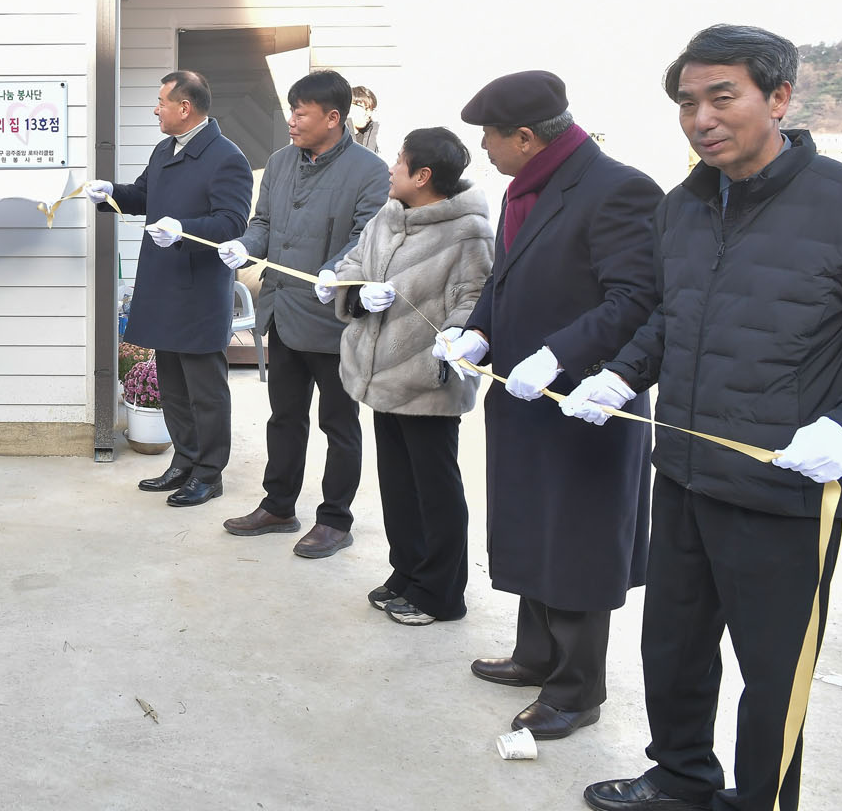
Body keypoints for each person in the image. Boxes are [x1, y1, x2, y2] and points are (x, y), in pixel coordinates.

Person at [565, 26, 842, 811]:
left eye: (722, 97)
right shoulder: (684, 207)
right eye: (687, 102)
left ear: (780, 97)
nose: (701, 118)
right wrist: (619, 375)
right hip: (686, 473)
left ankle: (762, 800)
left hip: (783, 491)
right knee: (673, 647)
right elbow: (673, 316)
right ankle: (679, 779)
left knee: (774, 672)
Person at [432, 69, 661, 739]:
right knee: (532, 528)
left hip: (585, 405)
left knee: (577, 544)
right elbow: (505, 278)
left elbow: (635, 298)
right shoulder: (525, 188)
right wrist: (478, 330)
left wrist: (559, 354)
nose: (484, 149)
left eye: (490, 136)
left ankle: (576, 689)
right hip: (524, 399)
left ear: (527, 137)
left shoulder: (618, 189)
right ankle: (535, 654)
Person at [214, 70, 389, 556]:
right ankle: (278, 506)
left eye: (300, 112)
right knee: (284, 418)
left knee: (339, 424)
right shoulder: (279, 162)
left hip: (334, 322)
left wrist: (337, 270)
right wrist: (244, 247)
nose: (291, 120)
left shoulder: (369, 171)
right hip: (283, 312)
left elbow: (366, 237)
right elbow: (263, 223)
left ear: (333, 118)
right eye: (292, 111)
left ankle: (335, 519)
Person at [330, 127, 492, 624]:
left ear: (422, 175)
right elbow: (353, 263)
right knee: (398, 484)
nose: (391, 168)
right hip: (382, 377)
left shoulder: (469, 230)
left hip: (428, 381)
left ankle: (441, 592)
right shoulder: (388, 214)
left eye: (399, 160)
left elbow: (476, 297)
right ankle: (408, 572)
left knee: (435, 490)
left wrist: (456, 337)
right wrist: (353, 291)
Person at [86, 70, 253, 506]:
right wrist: (111, 194)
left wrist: (183, 230)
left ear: (185, 107)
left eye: (161, 102)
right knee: (173, 385)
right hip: (163, 283)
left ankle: (209, 473)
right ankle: (185, 461)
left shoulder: (226, 157)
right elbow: (144, 195)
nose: (155, 109)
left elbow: (233, 223)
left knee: (205, 390)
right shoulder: (165, 149)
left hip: (199, 290)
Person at [349, 85, 380, 153]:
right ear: (349, 106)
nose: (369, 114)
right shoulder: (333, 136)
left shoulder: (370, 138)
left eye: (371, 110)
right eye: (365, 108)